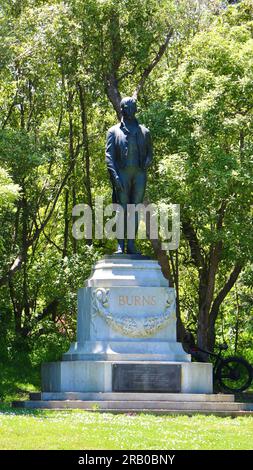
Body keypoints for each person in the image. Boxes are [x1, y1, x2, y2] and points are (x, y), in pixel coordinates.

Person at [105, 96, 153, 254]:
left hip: (139, 175)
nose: (132, 110)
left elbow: (150, 154)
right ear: (122, 109)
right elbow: (109, 157)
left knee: (135, 210)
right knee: (121, 209)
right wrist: (115, 177)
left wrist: (148, 160)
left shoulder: (144, 131)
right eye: (128, 107)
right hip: (122, 174)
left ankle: (131, 244)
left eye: (133, 107)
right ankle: (120, 245)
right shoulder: (113, 131)